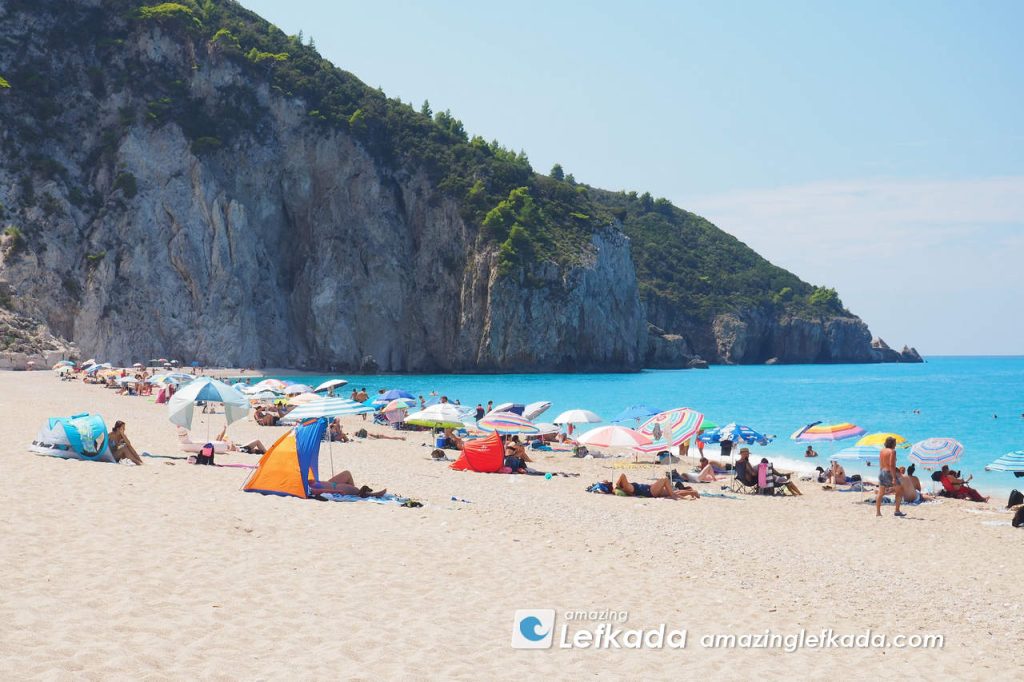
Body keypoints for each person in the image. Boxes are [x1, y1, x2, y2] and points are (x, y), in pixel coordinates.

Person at [875, 436, 905, 517]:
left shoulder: (882, 451)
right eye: (895, 443)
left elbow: (882, 463)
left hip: (881, 472)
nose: (895, 445)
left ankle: (878, 513)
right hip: (889, 473)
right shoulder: (892, 451)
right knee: (900, 490)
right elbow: (891, 465)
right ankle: (897, 511)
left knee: (881, 493)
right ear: (892, 444)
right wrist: (894, 478)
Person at [614, 473, 699, 500]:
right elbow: (623, 475)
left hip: (651, 489)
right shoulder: (628, 488)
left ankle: (692, 492)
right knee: (665, 479)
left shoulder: (628, 487)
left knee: (673, 491)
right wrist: (617, 485)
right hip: (650, 491)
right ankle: (674, 496)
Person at [311, 470, 385, 498]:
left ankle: (356, 492)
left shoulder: (305, 478)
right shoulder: (306, 488)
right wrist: (336, 491)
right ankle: (369, 494)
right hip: (334, 488)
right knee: (355, 490)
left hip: (331, 483)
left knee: (347, 473)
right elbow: (317, 491)